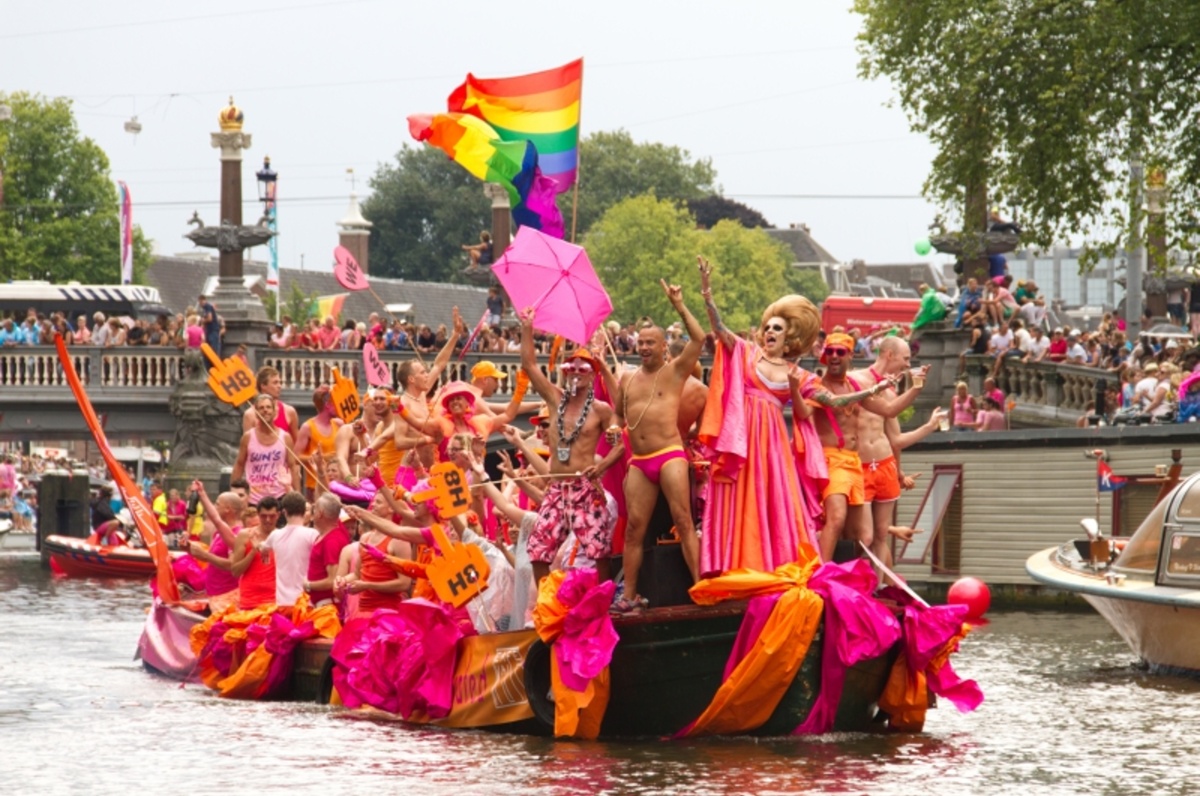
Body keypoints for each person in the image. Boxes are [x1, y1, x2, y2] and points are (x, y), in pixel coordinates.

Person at [696, 258, 832, 575]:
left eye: (777, 328)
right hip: (740, 438)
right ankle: (735, 563)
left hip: (772, 445)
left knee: (773, 497)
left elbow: (828, 402)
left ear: (789, 338)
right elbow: (719, 330)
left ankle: (775, 563)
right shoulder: (747, 352)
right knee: (737, 495)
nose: (770, 331)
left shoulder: (797, 374)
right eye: (768, 326)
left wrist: (873, 391)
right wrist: (707, 293)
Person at [604, 279, 705, 614]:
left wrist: (679, 305)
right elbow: (618, 413)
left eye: (651, 342)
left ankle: (700, 586)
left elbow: (699, 338)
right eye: (641, 342)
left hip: (669, 454)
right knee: (634, 529)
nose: (644, 347)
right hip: (640, 460)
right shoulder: (628, 378)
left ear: (664, 347)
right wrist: (615, 427)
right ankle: (629, 595)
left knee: (683, 520)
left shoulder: (675, 372)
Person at [519, 308, 615, 588]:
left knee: (598, 550)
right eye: (570, 368)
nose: (575, 373)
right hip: (556, 488)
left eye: (582, 369)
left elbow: (621, 443)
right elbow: (529, 366)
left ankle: (603, 599)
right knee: (537, 549)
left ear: (592, 374)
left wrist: (602, 466)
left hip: (585, 487)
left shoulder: (601, 410)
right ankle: (547, 601)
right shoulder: (555, 398)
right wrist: (527, 328)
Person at [231, 393, 299, 507]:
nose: (265, 410)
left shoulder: (285, 437)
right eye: (261, 408)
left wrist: (297, 494)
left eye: (268, 407)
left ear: (274, 411)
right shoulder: (248, 437)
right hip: (253, 498)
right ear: (256, 413)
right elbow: (239, 464)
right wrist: (233, 492)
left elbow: (293, 466)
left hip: (280, 496)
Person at [187, 483, 245, 614]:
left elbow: (232, 565)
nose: (214, 506)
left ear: (228, 509)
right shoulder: (219, 532)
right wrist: (189, 549)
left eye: (217, 504)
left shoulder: (237, 533)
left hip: (227, 596)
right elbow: (212, 559)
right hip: (214, 593)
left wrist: (206, 556)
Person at [260, 491, 319, 608]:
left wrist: (261, 547)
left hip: (282, 603)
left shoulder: (275, 535)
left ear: (284, 512)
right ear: (304, 511)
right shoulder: (313, 534)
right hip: (306, 602)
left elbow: (263, 546)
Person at [230, 496, 279, 610]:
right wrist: (253, 551)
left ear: (278, 515)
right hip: (250, 600)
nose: (268, 520)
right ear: (258, 515)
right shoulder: (245, 535)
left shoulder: (283, 536)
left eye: (272, 516)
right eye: (263, 516)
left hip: (275, 601)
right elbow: (235, 572)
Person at [301, 493, 350, 607]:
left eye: (315, 508)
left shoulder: (332, 541)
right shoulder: (334, 531)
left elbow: (332, 580)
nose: (312, 512)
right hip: (323, 604)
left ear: (320, 513)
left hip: (328, 607)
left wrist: (308, 585)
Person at [294, 385, 343, 498]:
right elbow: (295, 457)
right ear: (327, 404)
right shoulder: (308, 427)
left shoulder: (339, 424)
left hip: (338, 485)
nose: (338, 405)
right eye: (335, 402)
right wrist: (322, 458)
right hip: (315, 486)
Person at [242, 366, 300, 440]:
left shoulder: (289, 412)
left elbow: (298, 444)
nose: (279, 386)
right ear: (263, 386)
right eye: (275, 383)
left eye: (280, 382)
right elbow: (247, 444)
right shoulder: (250, 415)